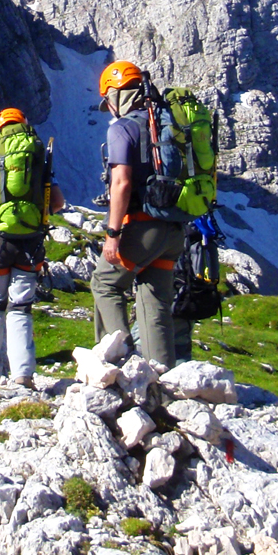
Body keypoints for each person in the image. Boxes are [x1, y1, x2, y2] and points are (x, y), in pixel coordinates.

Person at [0, 106, 65, 387]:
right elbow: (57, 203)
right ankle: (22, 375)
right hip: (30, 242)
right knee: (21, 308)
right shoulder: (39, 159)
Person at [90, 60, 185, 366]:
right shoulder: (166, 122)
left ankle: (120, 366)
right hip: (174, 228)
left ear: (116, 95)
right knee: (154, 301)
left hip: (142, 227)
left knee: (104, 282)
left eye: (109, 100)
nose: (110, 108)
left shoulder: (123, 128)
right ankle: (162, 379)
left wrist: (113, 234)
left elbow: (122, 183)